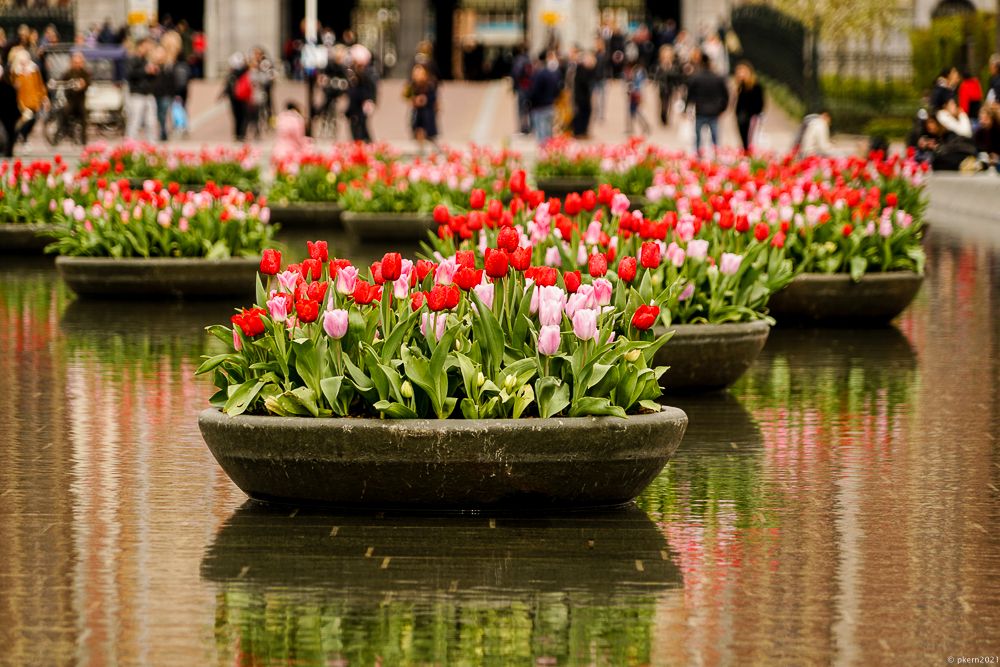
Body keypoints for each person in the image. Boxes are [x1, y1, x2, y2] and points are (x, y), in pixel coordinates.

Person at [684, 53, 729, 152]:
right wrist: (722, 108)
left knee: (698, 137)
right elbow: (725, 95)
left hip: (700, 110)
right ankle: (716, 155)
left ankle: (698, 156)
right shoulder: (718, 78)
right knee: (715, 138)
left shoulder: (695, 78)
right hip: (714, 111)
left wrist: (686, 109)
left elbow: (690, 96)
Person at [9, 48, 46, 146]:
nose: (24, 62)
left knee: (33, 120)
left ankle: (21, 138)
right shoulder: (16, 72)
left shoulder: (34, 70)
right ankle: (22, 140)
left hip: (34, 101)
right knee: (24, 121)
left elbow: (40, 84)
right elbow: (11, 88)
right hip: (21, 102)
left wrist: (44, 97)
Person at [126, 38, 158, 141]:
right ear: (140, 46)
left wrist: (154, 72)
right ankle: (129, 145)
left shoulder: (146, 60)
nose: (148, 48)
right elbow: (129, 74)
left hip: (148, 94)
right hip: (137, 94)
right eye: (146, 46)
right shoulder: (132, 59)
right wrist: (145, 71)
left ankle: (152, 146)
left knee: (151, 122)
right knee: (134, 121)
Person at [528, 50, 561, 145]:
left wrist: (529, 100)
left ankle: (544, 157)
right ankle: (550, 157)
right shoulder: (551, 73)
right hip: (550, 106)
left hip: (539, 108)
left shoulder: (538, 75)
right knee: (549, 136)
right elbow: (557, 89)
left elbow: (534, 92)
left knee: (542, 138)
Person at [404, 62, 438, 152]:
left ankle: (434, 148)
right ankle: (421, 149)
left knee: (429, 133)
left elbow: (433, 97)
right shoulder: (412, 85)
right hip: (417, 112)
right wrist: (414, 100)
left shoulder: (430, 84)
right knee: (419, 130)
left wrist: (424, 99)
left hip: (427, 111)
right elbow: (406, 96)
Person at [345, 43, 376, 142]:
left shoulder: (367, 73)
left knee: (362, 127)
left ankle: (366, 144)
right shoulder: (352, 72)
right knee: (356, 127)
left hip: (362, 105)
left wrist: (371, 101)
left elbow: (371, 89)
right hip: (354, 106)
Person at [734, 60, 764, 151]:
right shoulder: (741, 86)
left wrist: (755, 113)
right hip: (742, 116)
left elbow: (760, 102)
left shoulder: (755, 85)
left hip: (751, 116)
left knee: (751, 139)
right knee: (744, 139)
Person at [61, 51, 90, 143]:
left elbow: (88, 83)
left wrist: (83, 85)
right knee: (64, 112)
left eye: (79, 62)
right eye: (75, 62)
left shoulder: (85, 73)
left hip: (81, 100)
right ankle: (63, 132)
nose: (77, 64)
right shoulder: (68, 73)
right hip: (71, 100)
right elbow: (63, 84)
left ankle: (83, 139)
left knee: (84, 115)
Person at [223, 51, 250, 142]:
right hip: (241, 96)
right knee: (242, 116)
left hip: (236, 97)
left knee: (238, 116)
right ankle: (241, 134)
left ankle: (238, 134)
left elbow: (227, 86)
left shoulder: (233, 73)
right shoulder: (245, 71)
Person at [652, 45, 681, 126]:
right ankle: (663, 115)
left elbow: (677, 76)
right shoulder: (659, 65)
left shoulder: (674, 65)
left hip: (670, 87)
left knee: (669, 102)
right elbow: (656, 75)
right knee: (663, 103)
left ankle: (667, 117)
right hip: (662, 87)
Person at [623, 54, 650, 136]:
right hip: (633, 94)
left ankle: (645, 126)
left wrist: (639, 94)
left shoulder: (638, 71)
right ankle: (631, 128)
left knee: (636, 111)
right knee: (631, 111)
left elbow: (639, 85)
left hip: (636, 94)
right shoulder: (634, 71)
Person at [571, 51, 595, 138]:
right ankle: (579, 132)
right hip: (581, 97)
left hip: (583, 97)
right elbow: (585, 83)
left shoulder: (582, 69)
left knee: (584, 114)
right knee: (581, 114)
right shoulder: (581, 69)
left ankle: (582, 131)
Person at [510, 45, 532, 134]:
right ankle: (529, 127)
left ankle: (523, 127)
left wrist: (514, 87)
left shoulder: (519, 60)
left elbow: (515, 74)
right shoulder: (530, 60)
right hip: (529, 87)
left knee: (521, 109)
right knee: (529, 108)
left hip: (522, 87)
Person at [0, 65, 19, 156]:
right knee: (10, 132)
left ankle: (7, 150)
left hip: (6, 113)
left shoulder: (7, 87)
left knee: (8, 132)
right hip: (10, 113)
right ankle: (9, 151)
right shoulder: (11, 88)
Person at [974, 103, 1000, 170]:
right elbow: (978, 148)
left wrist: (996, 156)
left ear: (991, 118)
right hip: (986, 159)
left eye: (985, 119)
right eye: (980, 119)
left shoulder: (997, 129)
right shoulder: (979, 132)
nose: (982, 122)